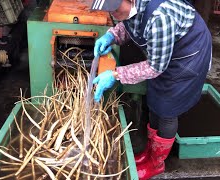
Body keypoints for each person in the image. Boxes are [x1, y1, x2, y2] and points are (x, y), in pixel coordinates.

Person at [91, 0, 212, 179]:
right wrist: (112, 35)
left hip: (188, 55)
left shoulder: (160, 18)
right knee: (155, 97)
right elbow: (130, 24)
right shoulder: (131, 8)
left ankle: (157, 163)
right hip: (165, 55)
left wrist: (115, 75)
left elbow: (155, 67)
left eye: (115, 9)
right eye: (110, 11)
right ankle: (149, 152)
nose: (114, 15)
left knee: (168, 109)